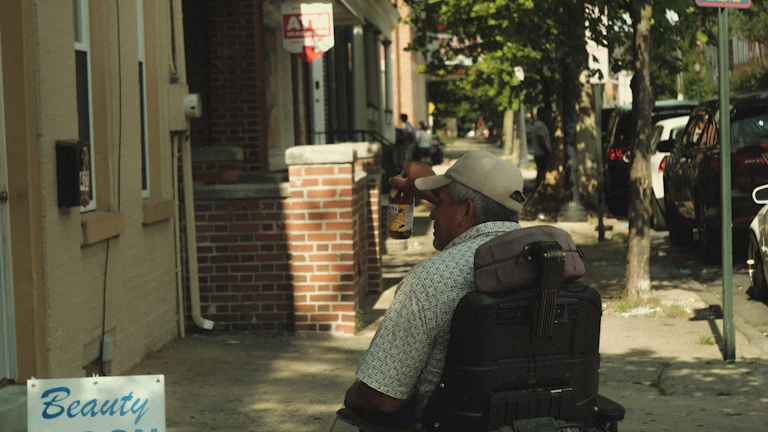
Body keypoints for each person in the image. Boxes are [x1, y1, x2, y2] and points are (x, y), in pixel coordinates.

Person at [344, 151, 526, 422]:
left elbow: (382, 398)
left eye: (439, 204)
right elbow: (483, 213)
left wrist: (351, 397)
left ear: (466, 211)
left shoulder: (430, 281)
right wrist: (439, 192)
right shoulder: (546, 260)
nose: (432, 214)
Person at [531, 107, 552, 188]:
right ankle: (539, 188)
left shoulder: (537, 124)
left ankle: (538, 188)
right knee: (542, 173)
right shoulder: (540, 126)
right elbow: (541, 140)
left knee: (541, 173)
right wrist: (547, 151)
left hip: (539, 153)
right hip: (542, 154)